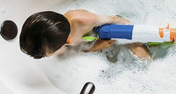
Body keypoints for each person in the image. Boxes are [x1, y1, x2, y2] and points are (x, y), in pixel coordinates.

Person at [19, 9, 151, 59]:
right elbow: (75, 51)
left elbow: (117, 20)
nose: (46, 57)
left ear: (68, 41)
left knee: (140, 52)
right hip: (92, 42)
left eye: (45, 55)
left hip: (109, 29)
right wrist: (95, 47)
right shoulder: (51, 44)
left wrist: (134, 34)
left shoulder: (83, 20)